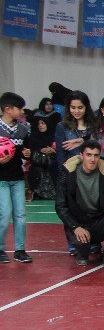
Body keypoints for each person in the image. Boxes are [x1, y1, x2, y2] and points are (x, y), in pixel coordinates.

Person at [55, 141, 104, 268]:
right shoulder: (67, 172)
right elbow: (60, 206)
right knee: (81, 246)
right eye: (88, 155)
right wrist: (75, 226)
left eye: (96, 155)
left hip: (99, 221)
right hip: (78, 222)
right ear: (81, 156)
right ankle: (82, 253)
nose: (92, 159)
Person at [0, 91, 32, 264]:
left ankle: (20, 249)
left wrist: (27, 154)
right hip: (1, 180)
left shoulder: (22, 129)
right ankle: (0, 248)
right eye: (19, 108)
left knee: (20, 215)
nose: (21, 112)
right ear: (7, 109)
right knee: (4, 215)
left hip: (17, 178)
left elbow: (25, 152)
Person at [54, 90, 100, 168]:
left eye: (80, 107)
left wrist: (84, 140)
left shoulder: (95, 124)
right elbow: (61, 155)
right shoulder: (62, 126)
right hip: (71, 172)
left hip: (94, 170)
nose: (76, 111)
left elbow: (101, 145)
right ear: (68, 108)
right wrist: (64, 173)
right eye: (73, 108)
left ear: (86, 107)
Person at [26, 111, 56, 200]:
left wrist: (52, 150)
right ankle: (33, 192)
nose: (40, 125)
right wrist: (40, 150)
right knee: (34, 170)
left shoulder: (54, 136)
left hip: (52, 163)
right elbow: (30, 151)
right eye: (39, 123)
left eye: (43, 123)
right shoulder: (33, 136)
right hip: (37, 163)